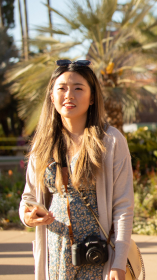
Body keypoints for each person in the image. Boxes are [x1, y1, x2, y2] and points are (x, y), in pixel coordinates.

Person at [19, 60, 134, 280]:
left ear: (92, 98)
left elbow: (123, 206)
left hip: (97, 257)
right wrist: (28, 215)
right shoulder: (43, 144)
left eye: (78, 88)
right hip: (55, 255)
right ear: (52, 97)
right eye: (61, 88)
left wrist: (118, 262)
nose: (69, 95)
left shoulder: (110, 141)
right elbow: (29, 197)